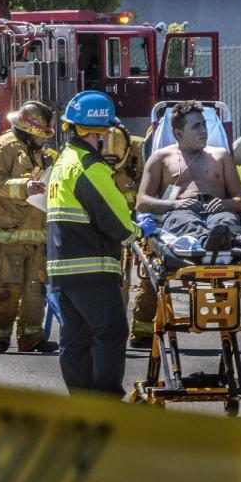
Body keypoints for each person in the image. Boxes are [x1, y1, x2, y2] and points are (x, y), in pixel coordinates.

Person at [46, 90, 156, 396]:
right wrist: (138, 230)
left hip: (62, 268)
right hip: (90, 266)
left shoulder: (63, 163)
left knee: (76, 336)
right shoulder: (89, 167)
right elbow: (116, 221)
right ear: (96, 133)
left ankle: (81, 400)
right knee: (111, 331)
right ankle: (106, 400)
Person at [0, 100, 58, 355]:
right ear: (26, 129)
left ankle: (31, 337)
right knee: (7, 285)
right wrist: (23, 187)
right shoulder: (4, 147)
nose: (43, 140)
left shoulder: (40, 152)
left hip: (37, 231)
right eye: (39, 135)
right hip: (6, 232)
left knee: (36, 288)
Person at [136, 100, 241, 251]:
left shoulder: (221, 156)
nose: (203, 131)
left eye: (204, 124)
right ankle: (208, 242)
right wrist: (175, 204)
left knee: (225, 222)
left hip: (217, 211)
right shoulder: (160, 158)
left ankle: (220, 239)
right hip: (180, 211)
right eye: (196, 126)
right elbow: (141, 202)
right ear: (178, 133)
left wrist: (226, 204)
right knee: (186, 222)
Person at [102, 125, 157, 349]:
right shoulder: (96, 156)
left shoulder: (143, 152)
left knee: (150, 274)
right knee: (117, 279)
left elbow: (156, 184)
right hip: (115, 224)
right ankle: (115, 333)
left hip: (145, 220)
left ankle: (143, 331)